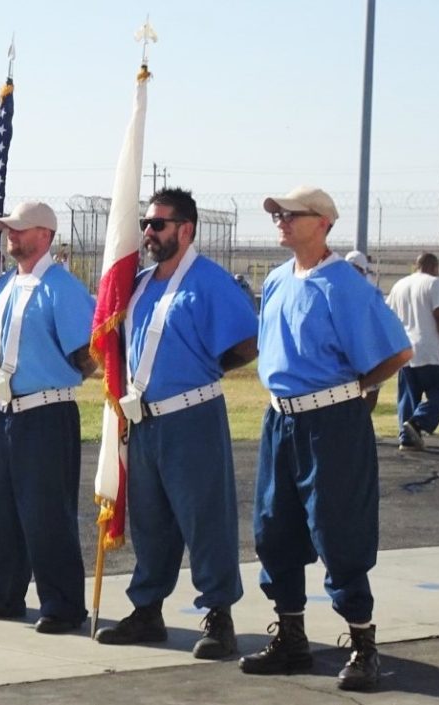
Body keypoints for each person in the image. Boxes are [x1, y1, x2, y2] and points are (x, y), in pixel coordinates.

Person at [240, 186, 412, 692]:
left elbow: (396, 352)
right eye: (278, 214)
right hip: (281, 421)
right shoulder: (274, 282)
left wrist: (357, 387)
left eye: (292, 215)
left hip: (332, 423)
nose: (282, 221)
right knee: (275, 528)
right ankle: (291, 638)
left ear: (324, 223)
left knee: (339, 532)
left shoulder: (344, 285)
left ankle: (362, 644)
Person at [94, 187, 258, 660]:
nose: (148, 232)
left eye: (158, 224)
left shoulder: (208, 280)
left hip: (192, 416)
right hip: (143, 423)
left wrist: (202, 370)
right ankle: (147, 610)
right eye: (145, 224)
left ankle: (218, 615)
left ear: (185, 230)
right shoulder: (141, 284)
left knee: (205, 519)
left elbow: (248, 343)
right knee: (150, 523)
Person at [0, 202, 96, 634]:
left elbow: (87, 355)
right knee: (1, 509)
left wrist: (57, 377)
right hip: (5, 412)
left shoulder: (61, 287)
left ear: (46, 235)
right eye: (9, 230)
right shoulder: (5, 287)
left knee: (46, 512)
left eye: (20, 230)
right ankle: (2, 591)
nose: (12, 236)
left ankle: (64, 603)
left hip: (46, 411)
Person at [386, 253, 439, 451]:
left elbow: (388, 316)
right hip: (429, 346)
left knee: (409, 394)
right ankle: (418, 422)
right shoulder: (434, 283)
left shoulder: (400, 285)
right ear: (434, 267)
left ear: (415, 266)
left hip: (405, 347)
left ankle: (407, 438)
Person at [344, 250, 383, 412]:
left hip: (353, 348)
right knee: (369, 391)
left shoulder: (336, 284)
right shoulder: (368, 289)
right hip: (365, 349)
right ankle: (357, 427)